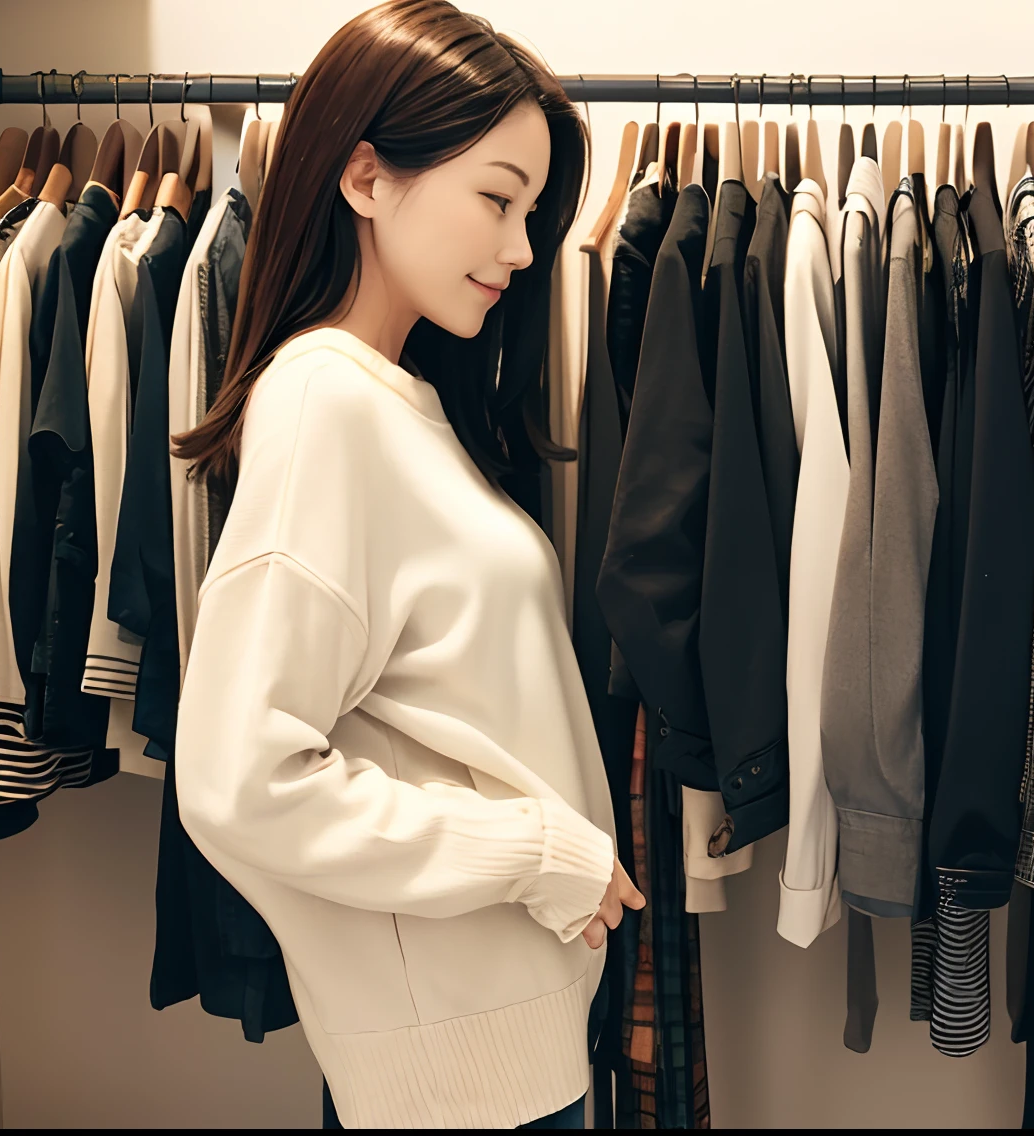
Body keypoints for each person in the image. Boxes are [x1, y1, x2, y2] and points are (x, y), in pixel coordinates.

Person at [171, 2, 639, 1127]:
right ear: (365, 176)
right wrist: (534, 849)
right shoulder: (325, 399)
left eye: (529, 210)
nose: (523, 250)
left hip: (501, 1058)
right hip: (465, 1089)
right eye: (496, 197)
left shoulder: (402, 403)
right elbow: (242, 782)